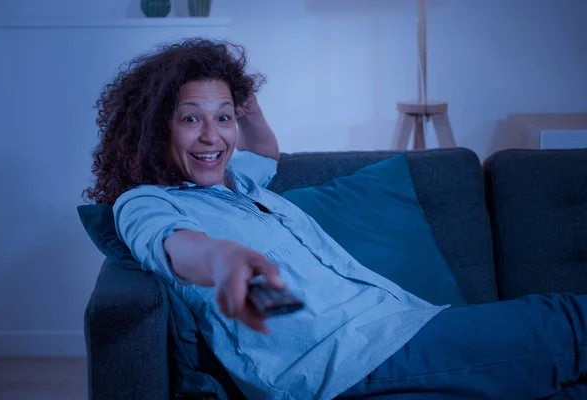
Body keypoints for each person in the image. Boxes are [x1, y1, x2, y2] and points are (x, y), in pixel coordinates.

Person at [84, 38, 587, 399]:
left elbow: (266, 152)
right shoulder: (146, 201)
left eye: (224, 117)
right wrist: (222, 258)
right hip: (345, 359)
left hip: (396, 328)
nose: (214, 137)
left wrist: (243, 99)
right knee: (568, 319)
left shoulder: (237, 184)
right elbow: (170, 244)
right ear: (155, 129)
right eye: (192, 118)